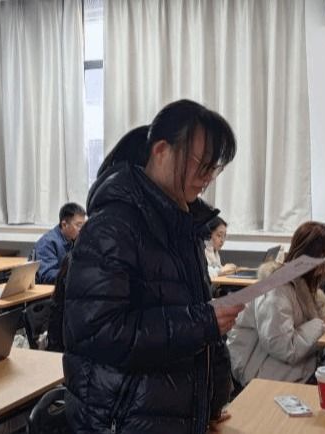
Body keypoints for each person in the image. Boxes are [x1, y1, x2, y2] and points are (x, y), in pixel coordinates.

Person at [63, 99, 244, 434]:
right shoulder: (112, 227)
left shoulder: (183, 224)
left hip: (172, 415)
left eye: (213, 169)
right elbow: (99, 332)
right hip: (123, 421)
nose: (207, 178)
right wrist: (203, 322)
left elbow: (196, 325)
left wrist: (213, 398)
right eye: (201, 165)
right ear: (161, 150)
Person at [226, 221, 325, 386]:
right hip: (264, 376)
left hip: (289, 369)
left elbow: (299, 325)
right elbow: (284, 347)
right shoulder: (276, 290)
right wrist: (322, 324)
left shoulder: (300, 283)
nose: (323, 269)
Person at [30, 202, 86, 284]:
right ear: (64, 224)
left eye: (83, 225)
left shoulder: (74, 239)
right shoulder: (47, 243)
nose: (82, 229)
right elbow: (47, 276)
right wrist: (75, 274)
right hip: (50, 289)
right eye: (78, 225)